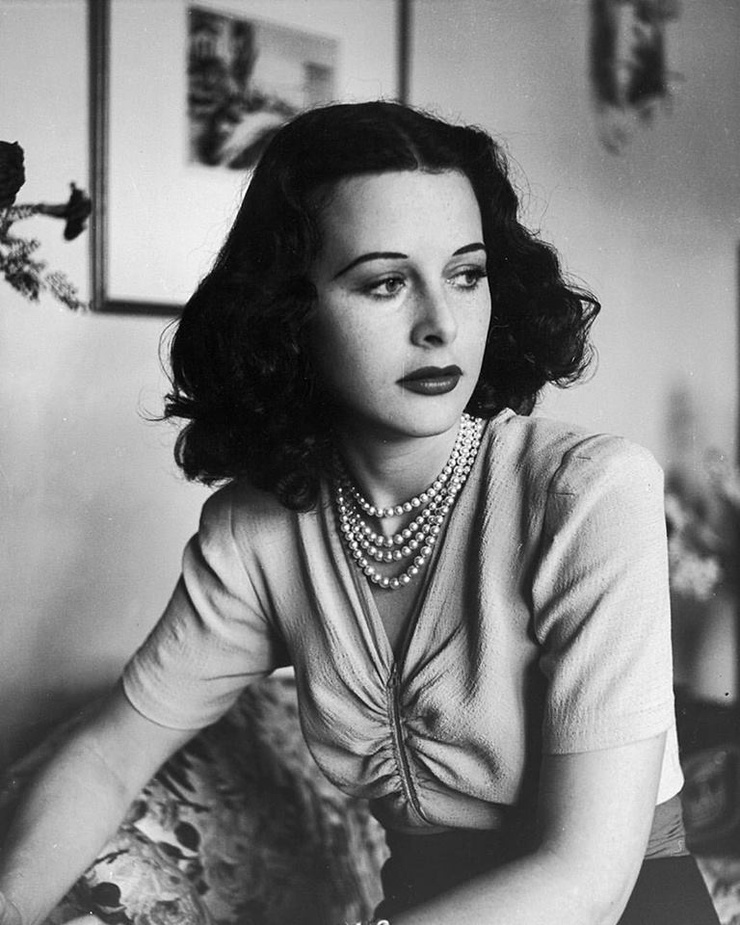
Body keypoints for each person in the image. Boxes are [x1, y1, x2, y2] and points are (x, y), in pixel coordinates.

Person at [0, 100, 720, 925]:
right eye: (385, 283)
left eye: (467, 274)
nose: (441, 325)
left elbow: (586, 881)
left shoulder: (591, 492)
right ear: (290, 311)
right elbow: (108, 754)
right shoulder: (258, 530)